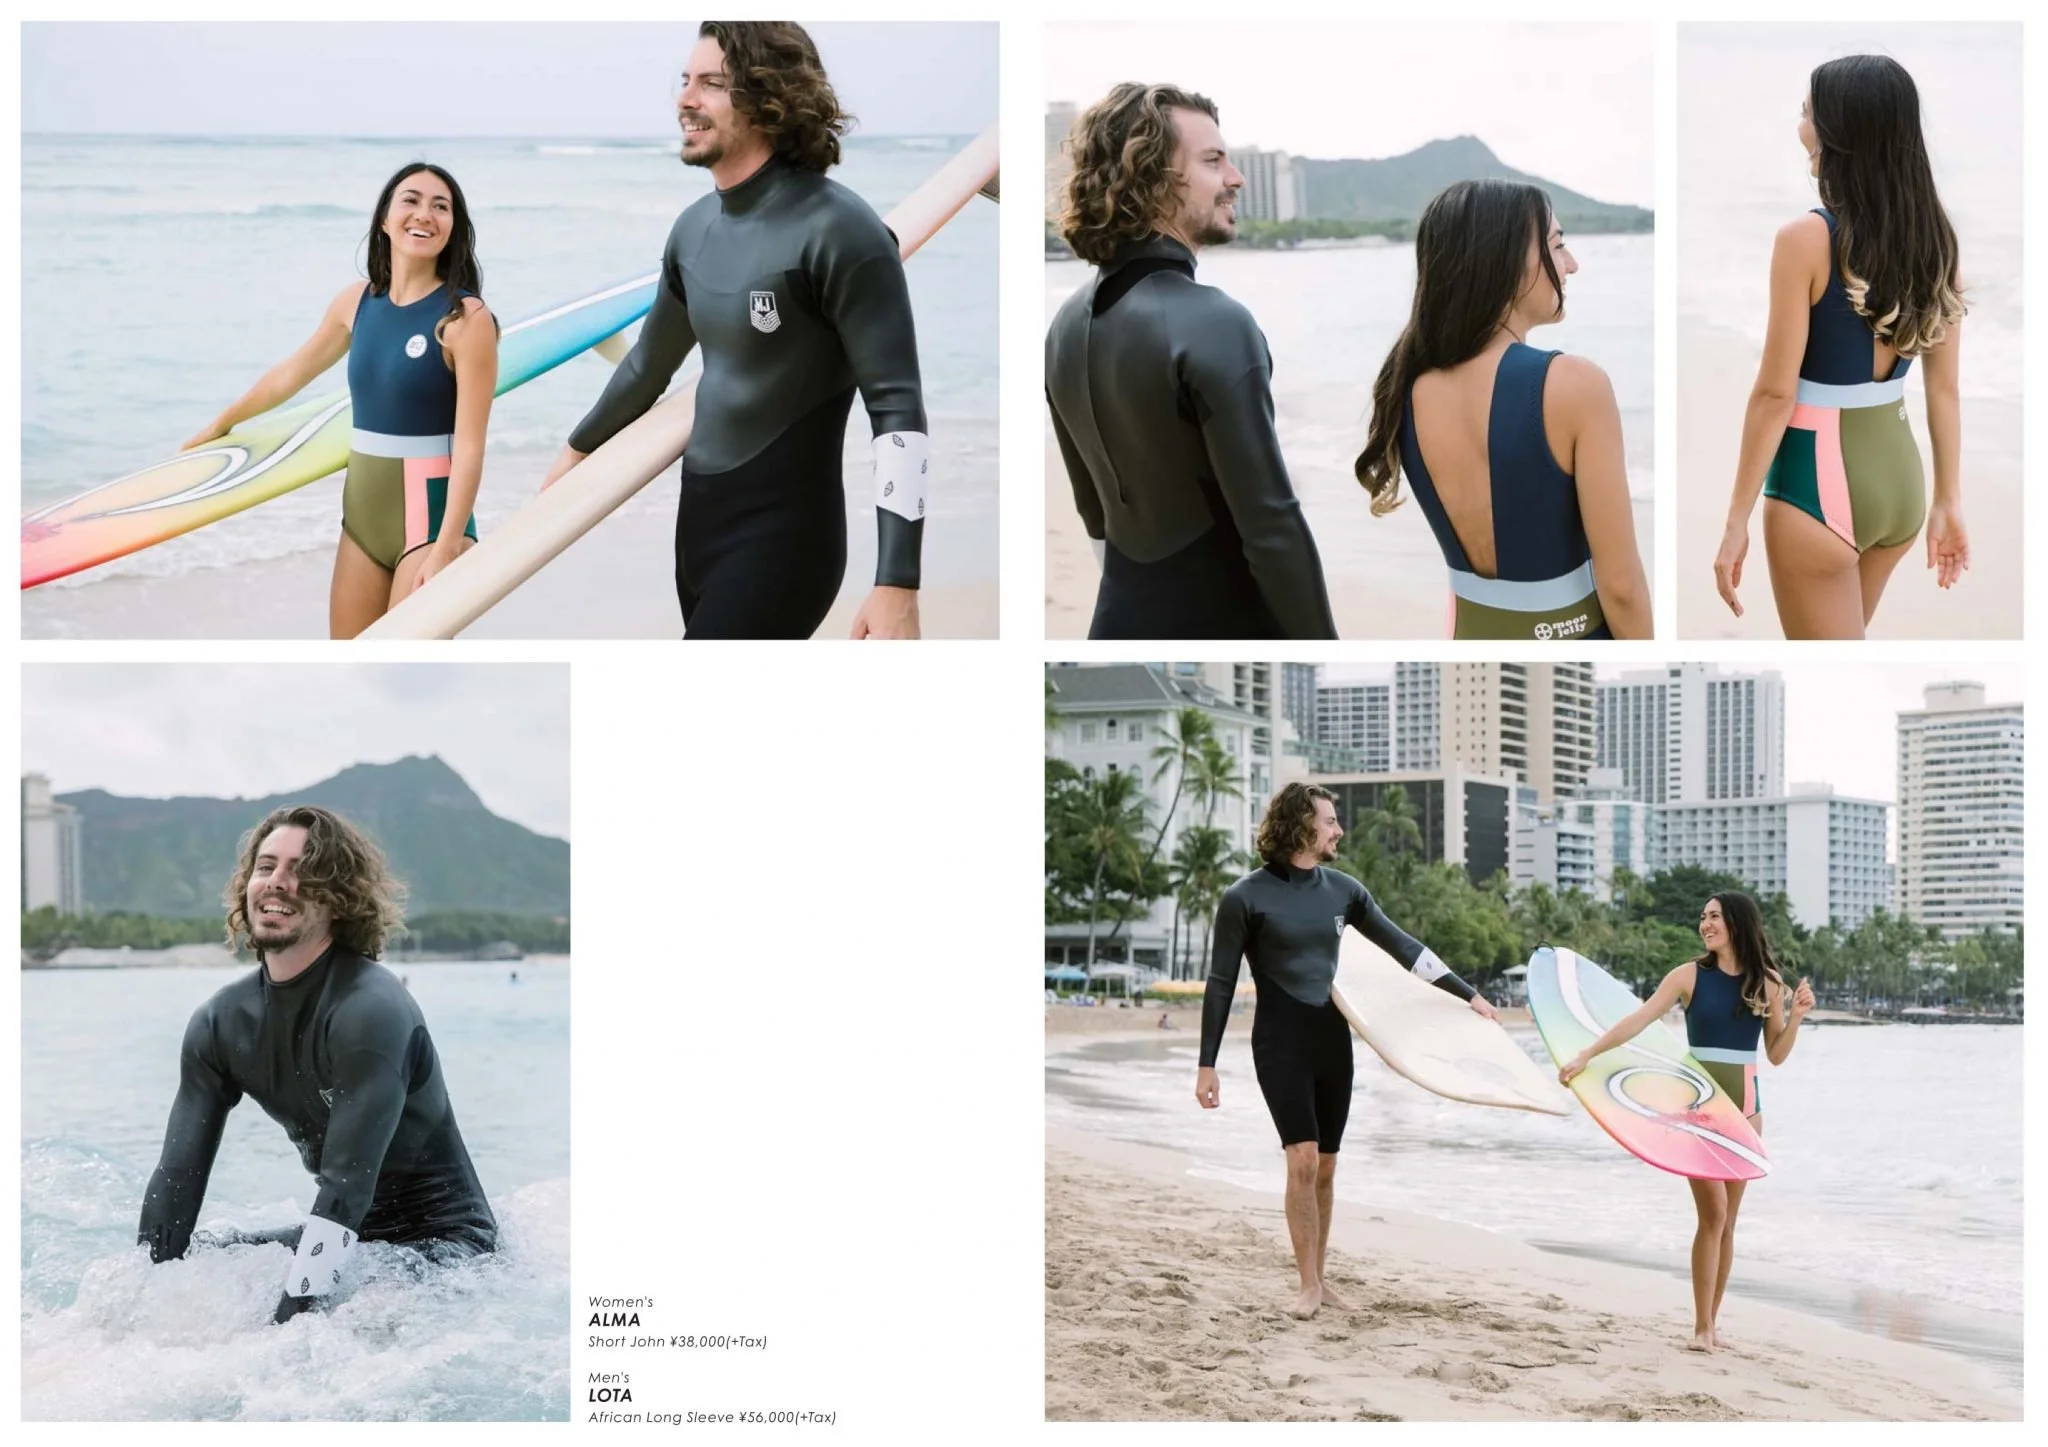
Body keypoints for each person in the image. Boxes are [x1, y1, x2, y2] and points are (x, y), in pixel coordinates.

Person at [542, 21, 927, 640]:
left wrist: (897, 583)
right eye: (686, 80)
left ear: (769, 98)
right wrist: (574, 454)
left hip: (785, 545)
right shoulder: (693, 230)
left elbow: (897, 408)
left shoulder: (839, 230)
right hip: (698, 537)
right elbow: (648, 365)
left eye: (712, 84)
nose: (686, 99)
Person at [137, 806, 496, 1325]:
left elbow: (345, 1189)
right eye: (266, 866)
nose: (279, 882)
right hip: (348, 1236)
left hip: (445, 1248)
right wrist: (143, 1301)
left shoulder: (370, 1010)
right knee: (212, 1259)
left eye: (302, 870)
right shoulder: (220, 1023)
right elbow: (177, 1179)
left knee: (348, 1322)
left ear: (338, 898)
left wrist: (287, 1337)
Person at [1046, 83, 1337, 640]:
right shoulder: (1213, 323)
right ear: (1152, 179)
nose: (1236, 178)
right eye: (1213, 161)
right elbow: (1272, 525)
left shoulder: (1063, 327)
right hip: (1226, 622)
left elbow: (1096, 517)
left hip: (1119, 621)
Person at [1196, 784, 1498, 1318]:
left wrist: (1466, 992)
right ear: (1301, 826)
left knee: (1329, 1166)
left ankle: (1322, 1277)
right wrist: (1207, 1064)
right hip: (1279, 1041)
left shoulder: (1344, 891)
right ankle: (1307, 1284)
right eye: (1330, 821)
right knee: (1304, 1161)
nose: (1338, 831)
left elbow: (1404, 947)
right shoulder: (1244, 897)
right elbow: (1221, 982)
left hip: (1332, 1040)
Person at [182, 163, 497, 639]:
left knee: (405, 669)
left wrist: (448, 546)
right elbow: (291, 373)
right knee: (351, 669)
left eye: (441, 206)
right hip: (362, 523)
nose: (425, 214)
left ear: (453, 228)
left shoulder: (465, 318)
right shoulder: (354, 303)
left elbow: (472, 445)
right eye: (410, 200)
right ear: (385, 220)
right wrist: (224, 422)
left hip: (430, 524)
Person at [1713, 54, 1968, 638]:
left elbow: (1775, 394)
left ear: (1838, 131)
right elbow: (1945, 389)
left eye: (1807, 108)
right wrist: (1947, 501)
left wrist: (1735, 521)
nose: (1799, 119)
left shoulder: (1804, 239)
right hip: (1900, 484)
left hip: (1817, 492)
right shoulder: (1938, 240)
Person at [1356, 179, 1650, 640]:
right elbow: (1622, 586)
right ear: (1508, 259)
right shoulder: (1572, 385)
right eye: (1557, 245)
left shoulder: (1406, 388)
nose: (1571, 265)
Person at [1558, 891, 1815, 1352]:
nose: (1705, 924)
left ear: (1737, 923)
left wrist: (1795, 1016)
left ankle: (1713, 1323)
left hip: (1747, 1116)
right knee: (1712, 1213)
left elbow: (1774, 1055)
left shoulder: (1769, 983)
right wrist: (1587, 1055)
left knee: (1729, 1221)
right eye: (1703, 917)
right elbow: (1637, 1022)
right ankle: (1700, 1327)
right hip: (1698, 1115)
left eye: (1714, 916)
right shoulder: (1688, 976)